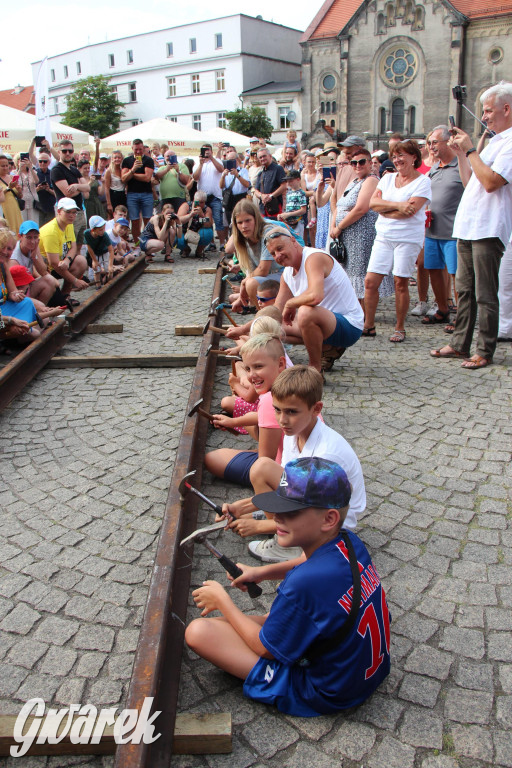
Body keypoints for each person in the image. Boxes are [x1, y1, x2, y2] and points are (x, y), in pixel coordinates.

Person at [185, 456, 390, 717]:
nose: (277, 517)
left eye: (290, 511)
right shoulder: (350, 542)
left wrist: (223, 602)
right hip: (367, 670)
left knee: (199, 632)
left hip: (328, 692)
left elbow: (264, 650)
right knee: (270, 620)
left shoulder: (303, 583)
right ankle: (271, 627)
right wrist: (261, 572)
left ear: (328, 519)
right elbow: (308, 559)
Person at [223, 365, 366, 562]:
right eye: (277, 410)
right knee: (262, 467)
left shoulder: (326, 455)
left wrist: (260, 527)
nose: (282, 420)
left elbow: (315, 511)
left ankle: (289, 544)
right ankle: (280, 525)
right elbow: (289, 486)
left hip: (333, 524)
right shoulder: (295, 431)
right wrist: (242, 507)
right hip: (310, 502)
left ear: (316, 409)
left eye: (291, 411)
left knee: (261, 468)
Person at [431, 82, 512, 369]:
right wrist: (464, 154)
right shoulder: (493, 141)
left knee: (485, 293)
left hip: (489, 227)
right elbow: (470, 182)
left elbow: (491, 182)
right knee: (464, 290)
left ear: (507, 109)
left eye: (488, 111)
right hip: (469, 225)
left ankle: (485, 350)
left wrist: (471, 151)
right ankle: (460, 344)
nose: (485, 116)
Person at [363, 140, 431, 342]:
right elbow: (373, 203)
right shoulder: (387, 179)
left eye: (402, 155)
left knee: (400, 282)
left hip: (408, 238)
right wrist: (398, 206)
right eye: (395, 156)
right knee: (370, 282)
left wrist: (387, 209)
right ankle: (369, 324)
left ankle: (400, 327)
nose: (398, 160)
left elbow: (410, 212)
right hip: (383, 236)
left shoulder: (423, 181)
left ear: (414, 157)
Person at [268, 229, 364, 372]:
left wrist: (291, 303)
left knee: (305, 313)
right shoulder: (287, 274)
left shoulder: (314, 257)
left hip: (350, 325)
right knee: (271, 328)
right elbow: (275, 311)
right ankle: (328, 348)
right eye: (273, 253)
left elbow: (316, 296)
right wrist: (247, 330)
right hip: (327, 324)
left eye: (280, 248)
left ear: (293, 241)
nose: (278, 255)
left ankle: (315, 370)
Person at [205, 333, 287, 486]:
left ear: (281, 364)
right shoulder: (294, 382)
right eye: (248, 368)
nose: (251, 375)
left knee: (211, 459)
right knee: (251, 423)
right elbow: (261, 418)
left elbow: (264, 465)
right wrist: (233, 422)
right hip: (299, 462)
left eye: (259, 366)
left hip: (287, 475)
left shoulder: (271, 399)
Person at [331, 148, 393, 306]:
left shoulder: (371, 180)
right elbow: (340, 204)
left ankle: (364, 313)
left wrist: (339, 227)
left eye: (361, 162)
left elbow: (361, 209)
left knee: (360, 273)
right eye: (354, 163)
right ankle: (357, 310)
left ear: (370, 163)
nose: (357, 165)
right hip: (348, 235)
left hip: (361, 235)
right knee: (351, 273)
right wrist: (334, 225)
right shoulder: (355, 181)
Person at [421, 125, 465, 326]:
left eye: (435, 142)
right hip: (432, 231)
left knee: (457, 276)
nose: (431, 147)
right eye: (429, 143)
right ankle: (443, 308)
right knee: (434, 270)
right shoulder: (433, 169)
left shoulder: (461, 166)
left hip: (453, 232)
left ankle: (461, 317)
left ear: (448, 142)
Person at [39, 198, 88, 303]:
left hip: (61, 263)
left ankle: (65, 294)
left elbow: (73, 247)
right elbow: (54, 264)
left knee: (81, 261)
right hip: (46, 269)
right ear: (59, 211)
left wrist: (67, 260)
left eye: (74, 212)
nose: (72, 215)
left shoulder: (69, 224)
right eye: (68, 212)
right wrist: (75, 281)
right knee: (54, 301)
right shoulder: (51, 231)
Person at [50, 140, 90, 253]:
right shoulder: (56, 170)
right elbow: (68, 193)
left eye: (70, 151)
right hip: (66, 213)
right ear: (59, 152)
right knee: (68, 245)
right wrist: (80, 187)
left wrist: (76, 186)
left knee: (79, 244)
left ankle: (77, 267)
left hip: (80, 211)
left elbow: (88, 188)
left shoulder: (74, 169)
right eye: (64, 151)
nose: (67, 153)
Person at [10, 221, 60, 306]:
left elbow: (43, 271)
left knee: (50, 281)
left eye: (35, 237)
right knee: (51, 284)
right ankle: (38, 311)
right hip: (18, 293)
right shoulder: (14, 258)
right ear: (20, 237)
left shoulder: (33, 246)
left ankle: (39, 311)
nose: (32, 241)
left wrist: (34, 257)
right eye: (28, 237)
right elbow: (16, 288)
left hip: (27, 287)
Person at [121, 138, 155, 244]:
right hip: (132, 194)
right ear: (132, 148)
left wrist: (131, 175)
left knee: (148, 221)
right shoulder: (127, 161)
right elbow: (124, 179)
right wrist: (133, 169)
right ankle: (137, 245)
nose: (138, 152)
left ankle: (148, 244)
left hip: (147, 194)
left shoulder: (148, 160)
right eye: (136, 149)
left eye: (140, 149)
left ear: (143, 148)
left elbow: (147, 178)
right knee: (135, 222)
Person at [192, 144, 226, 251]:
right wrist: (201, 164)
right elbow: (195, 177)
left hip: (215, 196)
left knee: (218, 220)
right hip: (203, 198)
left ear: (211, 151)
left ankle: (222, 244)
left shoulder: (216, 160)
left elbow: (221, 169)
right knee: (206, 220)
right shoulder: (198, 163)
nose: (206, 153)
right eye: (204, 151)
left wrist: (211, 157)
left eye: (208, 150)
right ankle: (211, 243)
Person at [176, 191, 213, 258]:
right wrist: (190, 215)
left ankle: (199, 251)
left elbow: (209, 224)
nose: (199, 204)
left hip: (198, 232)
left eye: (202, 202)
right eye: (197, 202)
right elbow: (179, 220)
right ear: (194, 200)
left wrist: (202, 215)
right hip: (184, 231)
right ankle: (185, 249)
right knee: (175, 237)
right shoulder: (186, 206)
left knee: (208, 232)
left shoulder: (207, 209)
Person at [253, 148, 287, 220]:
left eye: (264, 156)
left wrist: (271, 196)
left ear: (270, 156)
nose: (262, 159)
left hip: (275, 207)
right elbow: (256, 190)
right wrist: (261, 196)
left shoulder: (278, 169)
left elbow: (284, 186)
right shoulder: (260, 173)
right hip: (263, 208)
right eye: (260, 157)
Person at [219, 147, 250, 225]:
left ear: (237, 160)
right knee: (230, 222)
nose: (230, 162)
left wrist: (237, 175)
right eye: (228, 160)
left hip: (240, 197)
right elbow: (221, 186)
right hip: (229, 199)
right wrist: (223, 176)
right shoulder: (225, 172)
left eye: (232, 160)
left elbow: (247, 184)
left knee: (241, 219)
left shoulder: (243, 171)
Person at [84, 215, 115, 288]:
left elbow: (111, 250)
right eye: (100, 229)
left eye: (103, 228)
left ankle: (109, 283)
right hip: (95, 253)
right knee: (96, 271)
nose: (103, 231)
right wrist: (94, 260)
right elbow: (89, 248)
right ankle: (98, 286)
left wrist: (110, 265)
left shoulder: (105, 235)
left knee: (108, 270)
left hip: (104, 251)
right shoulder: (87, 234)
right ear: (93, 230)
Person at [156, 149, 190, 214]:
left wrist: (178, 171)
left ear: (175, 157)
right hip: (164, 197)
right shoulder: (162, 168)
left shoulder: (182, 166)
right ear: (164, 158)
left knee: (179, 216)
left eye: (171, 156)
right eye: (167, 156)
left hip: (179, 197)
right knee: (165, 218)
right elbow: (157, 177)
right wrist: (167, 169)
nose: (169, 158)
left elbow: (186, 181)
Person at [277, 170, 307, 238]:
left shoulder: (301, 193)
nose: (289, 183)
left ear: (298, 180)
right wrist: (283, 215)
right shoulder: (289, 193)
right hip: (289, 222)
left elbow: (303, 210)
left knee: (298, 241)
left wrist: (288, 214)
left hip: (298, 221)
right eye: (288, 181)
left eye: (291, 181)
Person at [0, 154, 23, 232]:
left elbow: (20, 195)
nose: (6, 168)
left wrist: (19, 190)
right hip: (4, 210)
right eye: (3, 166)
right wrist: (8, 188)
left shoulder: (11, 177)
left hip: (15, 209)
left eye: (7, 165)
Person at [33, 151, 56, 226]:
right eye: (40, 161)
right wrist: (38, 188)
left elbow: (57, 192)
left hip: (50, 206)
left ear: (49, 162)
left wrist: (48, 189)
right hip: (38, 206)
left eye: (45, 161)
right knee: (40, 227)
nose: (42, 163)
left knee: (50, 227)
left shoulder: (53, 173)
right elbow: (30, 192)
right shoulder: (34, 173)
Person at [104, 151, 127, 217]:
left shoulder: (123, 170)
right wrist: (108, 203)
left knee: (123, 216)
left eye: (119, 157)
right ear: (112, 159)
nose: (117, 159)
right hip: (113, 195)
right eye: (115, 157)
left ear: (122, 158)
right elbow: (106, 188)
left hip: (122, 195)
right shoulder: (109, 171)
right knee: (113, 217)